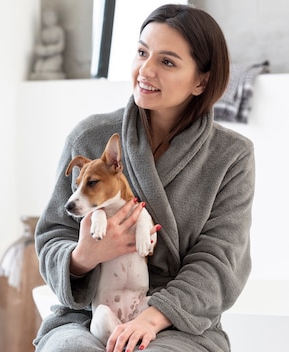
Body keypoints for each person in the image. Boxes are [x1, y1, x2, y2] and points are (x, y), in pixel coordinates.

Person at [33, 4, 254, 352]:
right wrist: (84, 256)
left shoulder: (231, 156)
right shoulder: (90, 136)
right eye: (141, 52)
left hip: (177, 318)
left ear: (202, 80)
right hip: (89, 310)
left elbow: (219, 261)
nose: (145, 70)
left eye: (167, 62)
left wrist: (152, 317)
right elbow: (52, 236)